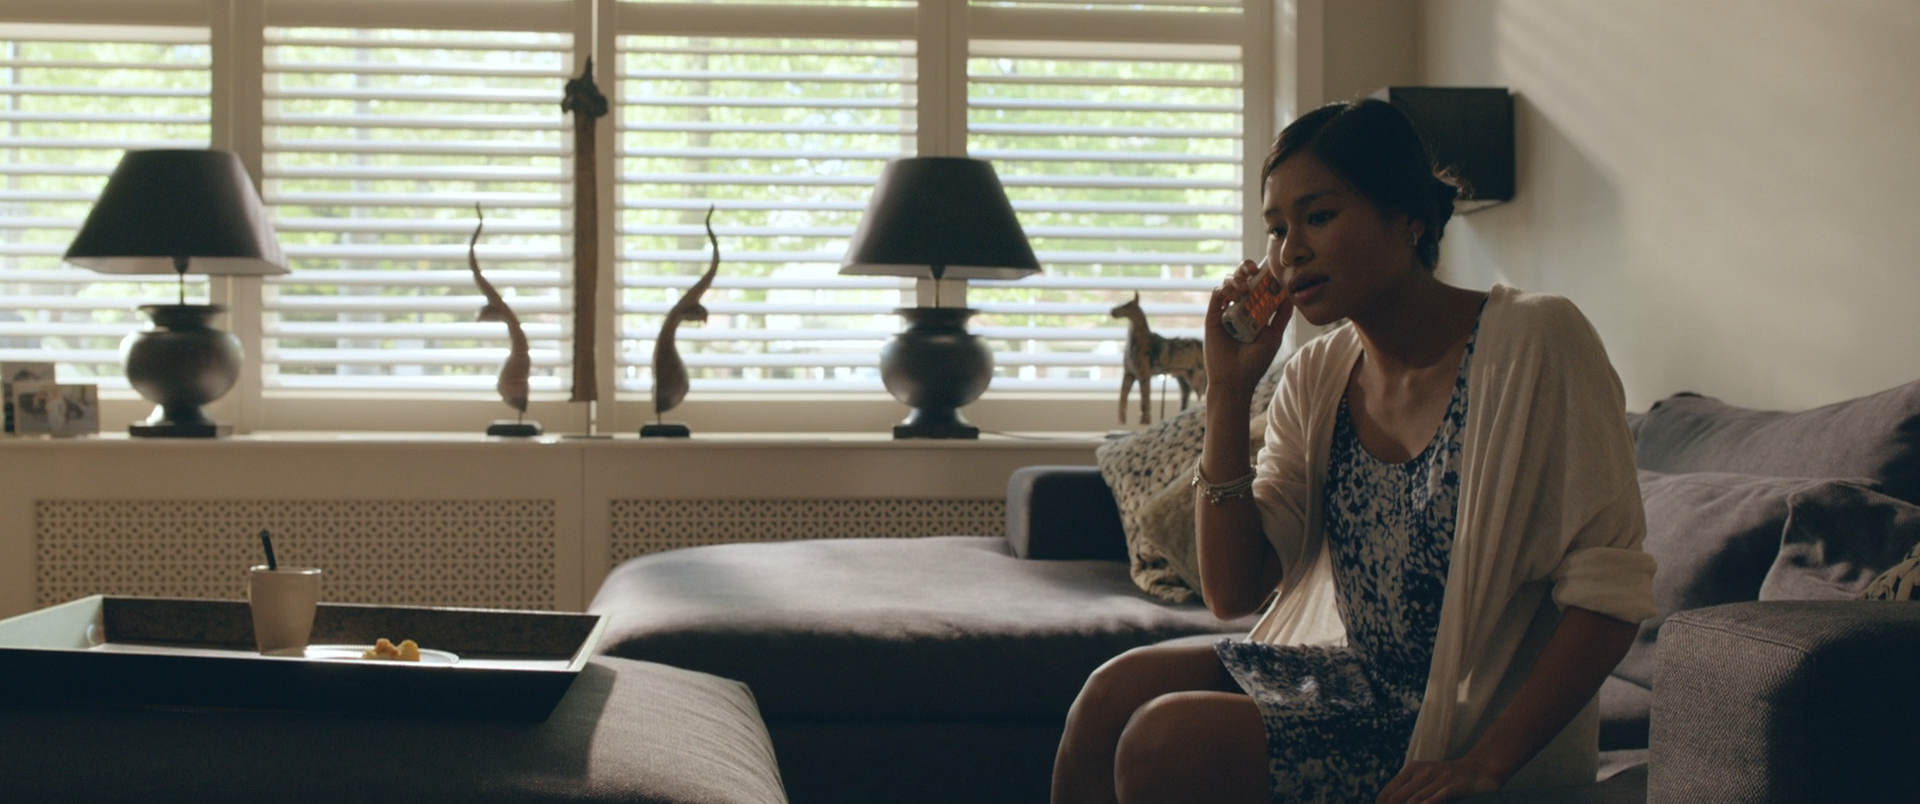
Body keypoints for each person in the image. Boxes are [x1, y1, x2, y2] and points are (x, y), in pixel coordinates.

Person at [1050, 98, 1658, 804]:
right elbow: (1231, 591)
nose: (1290, 252)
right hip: (1354, 683)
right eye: (1278, 228)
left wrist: (1486, 764)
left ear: (1409, 216)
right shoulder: (1317, 374)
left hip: (1462, 725)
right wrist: (1228, 391)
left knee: (1165, 740)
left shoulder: (1537, 342)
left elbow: (1610, 595)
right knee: (1110, 692)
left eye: (1319, 216)